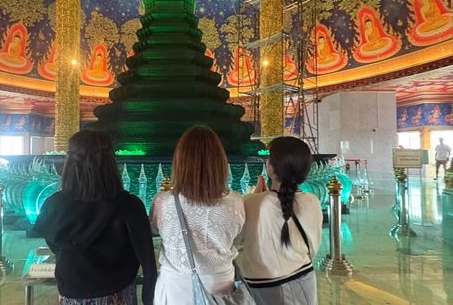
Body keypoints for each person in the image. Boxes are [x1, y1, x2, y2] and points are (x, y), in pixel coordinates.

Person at [34, 130, 157, 305]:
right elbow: (147, 259)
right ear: (111, 163)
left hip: (72, 291)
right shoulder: (130, 206)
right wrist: (149, 296)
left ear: (70, 163)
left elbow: (55, 244)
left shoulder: (53, 204)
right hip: (117, 293)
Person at [150, 125, 245, 305]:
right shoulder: (236, 202)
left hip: (175, 288)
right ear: (220, 163)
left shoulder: (162, 201)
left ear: (180, 162)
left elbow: (154, 229)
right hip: (221, 287)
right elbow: (238, 237)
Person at [236, 136, 322, 305]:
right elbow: (313, 247)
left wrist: (255, 197)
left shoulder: (250, 203)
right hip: (302, 278)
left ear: (271, 168)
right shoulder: (312, 201)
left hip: (261, 285)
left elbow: (236, 244)